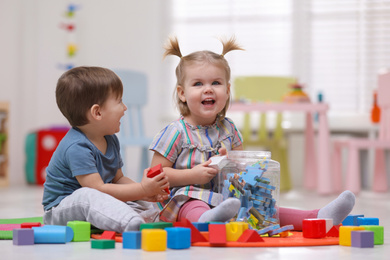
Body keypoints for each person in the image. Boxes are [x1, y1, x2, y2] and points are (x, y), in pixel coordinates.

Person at [149, 36, 355, 229]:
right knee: (195, 205)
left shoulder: (229, 130)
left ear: (228, 91)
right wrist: (192, 175)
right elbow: (157, 175)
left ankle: (317, 217)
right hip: (188, 196)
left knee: (265, 209)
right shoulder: (176, 132)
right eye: (198, 84)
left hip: (227, 195)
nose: (208, 89)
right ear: (182, 93)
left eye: (216, 83)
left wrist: (231, 164)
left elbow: (243, 166)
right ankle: (207, 222)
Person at [42, 66, 170, 233]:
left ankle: (150, 216)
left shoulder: (110, 139)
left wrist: (144, 193)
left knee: (140, 200)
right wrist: (141, 190)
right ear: (97, 112)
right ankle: (128, 222)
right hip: (61, 210)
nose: (125, 108)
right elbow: (98, 189)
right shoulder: (76, 146)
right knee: (86, 195)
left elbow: (118, 180)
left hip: (96, 203)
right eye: (119, 101)